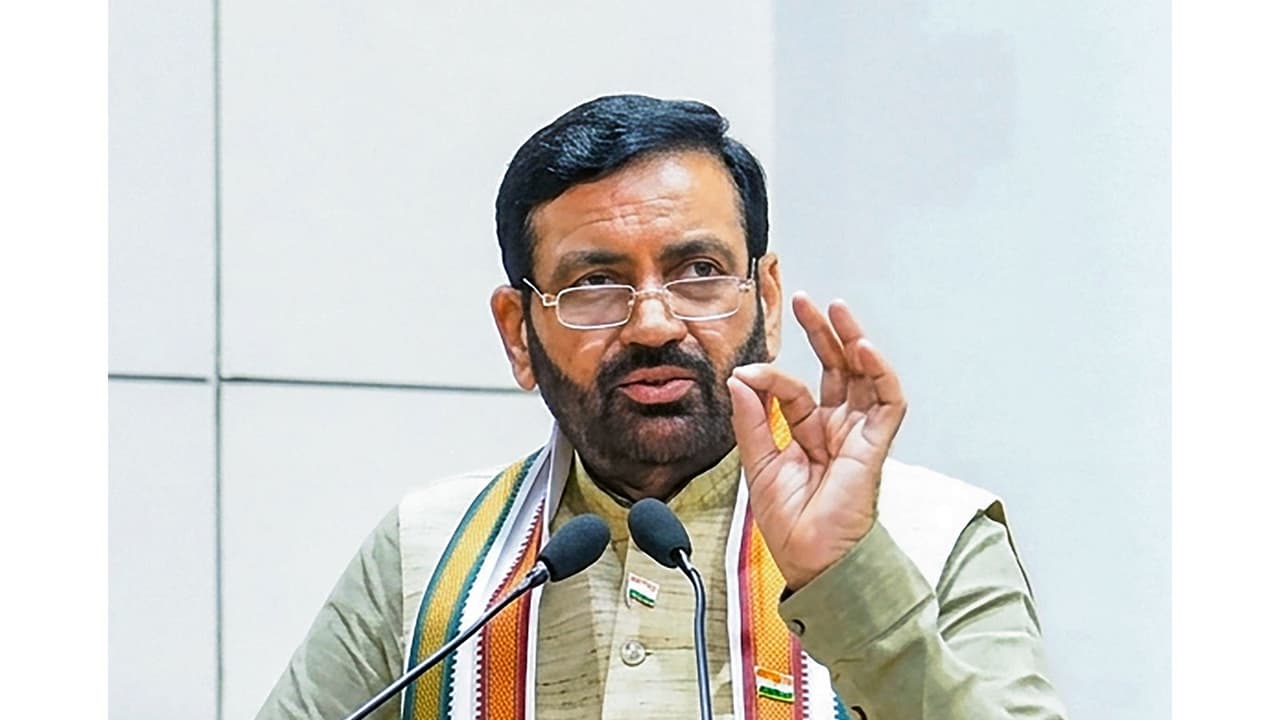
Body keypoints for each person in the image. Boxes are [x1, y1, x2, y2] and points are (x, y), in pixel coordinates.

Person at [256, 94, 1068, 720]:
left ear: (767, 299)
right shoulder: (427, 553)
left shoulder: (936, 533)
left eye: (699, 272)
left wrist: (846, 581)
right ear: (517, 332)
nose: (653, 323)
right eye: (594, 283)